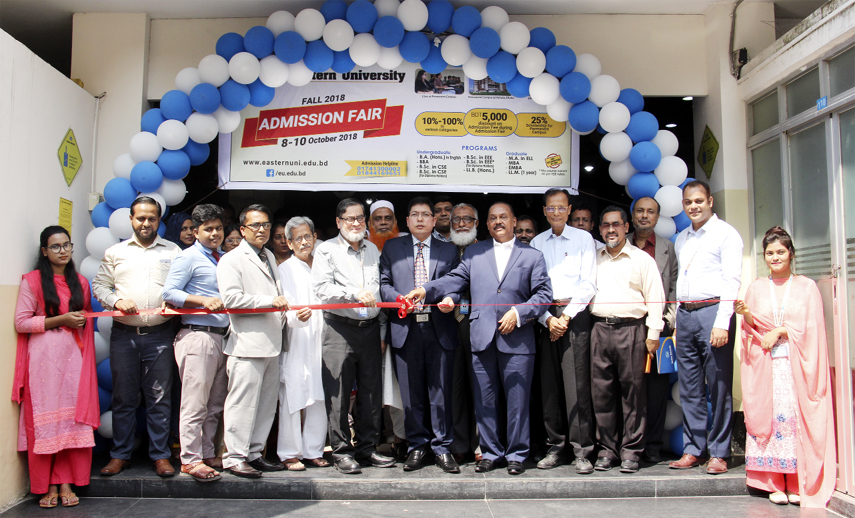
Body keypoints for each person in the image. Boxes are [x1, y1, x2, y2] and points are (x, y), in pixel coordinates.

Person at [407, 202, 553, 475]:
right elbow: (454, 280)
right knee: (485, 401)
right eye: (493, 218)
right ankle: (490, 452)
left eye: (503, 217)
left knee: (517, 401)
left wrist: (519, 313)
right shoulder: (474, 252)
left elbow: (543, 296)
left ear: (513, 221)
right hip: (481, 337)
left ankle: (517, 454)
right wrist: (425, 290)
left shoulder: (533, 255)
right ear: (486, 224)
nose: (498, 222)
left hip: (518, 338)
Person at [735, 226, 835, 508]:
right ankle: (774, 482)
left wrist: (779, 330)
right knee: (769, 419)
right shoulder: (756, 287)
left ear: (791, 254)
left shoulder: (806, 287)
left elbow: (812, 327)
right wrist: (747, 316)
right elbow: (752, 331)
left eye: (780, 252)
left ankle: (796, 480)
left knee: (792, 422)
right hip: (766, 367)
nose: (775, 257)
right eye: (770, 253)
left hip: (796, 367)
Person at [93, 196, 180, 478]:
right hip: (124, 336)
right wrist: (116, 301)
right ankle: (120, 455)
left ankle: (160, 456)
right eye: (140, 218)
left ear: (159, 221)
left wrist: (176, 306)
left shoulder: (173, 251)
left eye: (151, 218)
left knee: (159, 398)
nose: (146, 223)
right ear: (131, 219)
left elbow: (183, 286)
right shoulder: (115, 252)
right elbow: (100, 285)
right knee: (124, 398)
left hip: (160, 335)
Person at [13, 226, 99, 508]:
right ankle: (47, 484)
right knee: (48, 422)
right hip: (43, 362)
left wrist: (73, 322)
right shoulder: (33, 281)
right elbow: (22, 323)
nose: (63, 251)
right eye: (56, 247)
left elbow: (84, 321)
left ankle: (66, 482)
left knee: (71, 420)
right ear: (44, 251)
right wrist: (60, 320)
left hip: (75, 359)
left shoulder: (81, 282)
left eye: (67, 245)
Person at [312, 198, 396, 474]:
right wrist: (352, 295)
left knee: (371, 392)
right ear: (338, 222)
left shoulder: (372, 249)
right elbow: (322, 289)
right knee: (339, 392)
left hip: (370, 330)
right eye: (350, 219)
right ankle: (341, 451)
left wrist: (382, 328)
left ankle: (367, 448)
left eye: (360, 218)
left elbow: (380, 290)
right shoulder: (325, 250)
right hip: (339, 328)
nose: (357, 223)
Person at [380, 197, 461, 473]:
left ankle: (442, 447)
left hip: (439, 327)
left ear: (434, 220)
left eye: (426, 215)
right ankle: (417, 446)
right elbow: (383, 283)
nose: (420, 219)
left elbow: (455, 282)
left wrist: (450, 298)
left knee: (440, 391)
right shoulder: (392, 247)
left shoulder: (448, 250)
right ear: (407, 220)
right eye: (414, 214)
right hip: (406, 328)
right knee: (411, 393)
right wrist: (398, 298)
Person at [669, 180, 743, 474]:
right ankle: (694, 449)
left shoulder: (726, 234)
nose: (694, 207)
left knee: (719, 386)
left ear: (710, 201)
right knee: (689, 387)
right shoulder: (682, 238)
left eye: (699, 201)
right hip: (686, 315)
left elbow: (732, 281)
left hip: (714, 313)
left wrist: (723, 322)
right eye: (688, 202)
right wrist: (677, 320)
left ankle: (720, 452)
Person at [216, 204, 290, 478]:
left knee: (266, 404)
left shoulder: (268, 255)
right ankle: (234, 456)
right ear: (243, 229)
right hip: (246, 344)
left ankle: (255, 453)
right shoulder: (231, 260)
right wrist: (269, 302)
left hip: (272, 341)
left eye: (266, 225)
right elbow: (232, 301)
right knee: (242, 403)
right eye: (256, 225)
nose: (262, 230)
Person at [590, 207, 665, 473]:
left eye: (616, 225)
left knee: (633, 395)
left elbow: (656, 298)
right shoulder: (593, 259)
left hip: (633, 330)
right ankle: (607, 450)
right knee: (602, 395)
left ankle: (631, 451)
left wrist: (653, 334)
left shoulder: (642, 259)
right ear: (600, 230)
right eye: (606, 225)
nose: (611, 230)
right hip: (599, 330)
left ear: (625, 227)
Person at [530, 188, 597, 474]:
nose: (556, 212)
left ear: (569, 210)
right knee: (550, 386)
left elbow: (589, 284)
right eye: (550, 208)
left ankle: (582, 451)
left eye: (561, 208)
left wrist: (565, 318)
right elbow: (530, 287)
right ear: (544, 211)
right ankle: (555, 446)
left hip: (575, 316)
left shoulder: (583, 239)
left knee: (576, 385)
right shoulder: (535, 242)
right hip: (545, 318)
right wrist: (547, 318)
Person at [161, 204, 229, 482]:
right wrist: (202, 302)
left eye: (219, 228)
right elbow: (169, 292)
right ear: (196, 231)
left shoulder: (225, 258)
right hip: (198, 335)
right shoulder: (187, 257)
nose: (215, 233)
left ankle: (207, 453)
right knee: (195, 403)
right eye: (208, 229)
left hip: (224, 338)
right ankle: (190, 459)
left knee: (215, 404)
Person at [276, 217, 330, 471]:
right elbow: (284, 307)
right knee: (293, 396)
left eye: (308, 236)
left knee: (319, 396)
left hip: (322, 340)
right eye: (298, 238)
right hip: (297, 340)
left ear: (315, 236)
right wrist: (295, 318)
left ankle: (313, 450)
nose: (304, 242)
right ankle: (289, 452)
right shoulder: (284, 269)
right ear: (288, 243)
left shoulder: (323, 265)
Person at [628, 197, 678, 464]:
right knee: (628, 389)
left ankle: (653, 445)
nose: (645, 216)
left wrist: (664, 323)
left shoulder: (668, 248)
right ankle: (628, 443)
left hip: (659, 329)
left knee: (656, 390)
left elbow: (674, 290)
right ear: (632, 215)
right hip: (627, 327)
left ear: (658, 218)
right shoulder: (617, 244)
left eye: (650, 212)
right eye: (640, 211)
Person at [366, 199, 407, 459]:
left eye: (387, 218)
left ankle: (400, 439)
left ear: (395, 222)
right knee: (369, 390)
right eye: (377, 219)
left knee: (398, 389)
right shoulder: (364, 247)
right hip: (366, 330)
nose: (383, 223)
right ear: (370, 224)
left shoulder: (402, 245)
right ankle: (367, 443)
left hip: (399, 327)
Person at [448, 203, 481, 462]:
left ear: (476, 223)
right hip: (449, 327)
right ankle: (459, 443)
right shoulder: (443, 251)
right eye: (456, 219)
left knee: (482, 386)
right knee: (455, 387)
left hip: (480, 326)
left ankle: (482, 443)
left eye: (467, 219)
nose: (461, 223)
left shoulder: (486, 250)